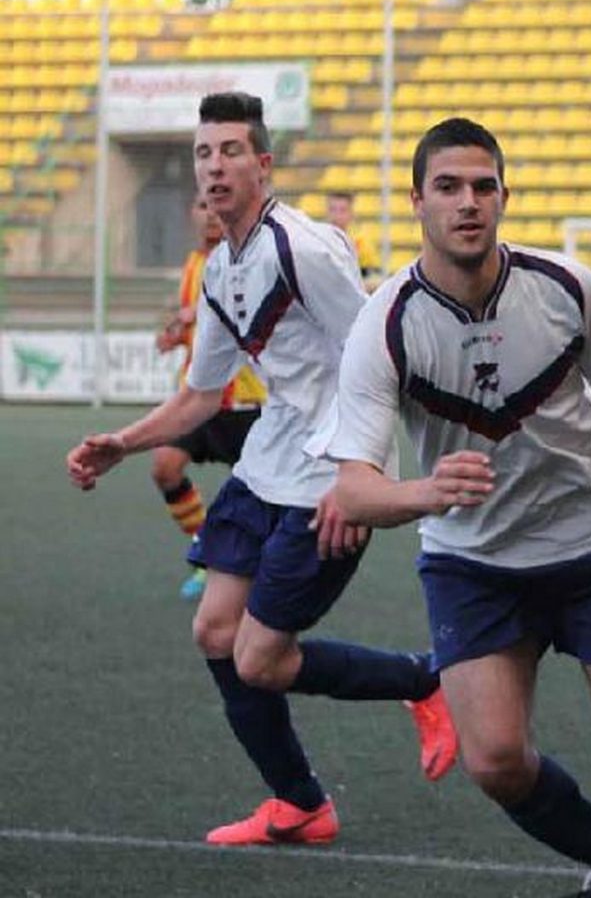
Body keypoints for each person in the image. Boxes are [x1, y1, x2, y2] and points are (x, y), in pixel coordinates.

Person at [67, 92, 457, 847]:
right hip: (268, 461)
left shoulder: (303, 249)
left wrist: (357, 476)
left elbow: (378, 359)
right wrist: (124, 443)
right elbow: (201, 394)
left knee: (260, 659)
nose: (213, 167)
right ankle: (301, 804)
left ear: (263, 164)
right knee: (216, 631)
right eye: (203, 154)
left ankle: (424, 679)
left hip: (328, 475)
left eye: (230, 151)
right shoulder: (221, 267)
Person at [324, 117, 591, 897]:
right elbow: (352, 488)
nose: (467, 202)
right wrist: (425, 492)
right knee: (494, 759)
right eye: (447, 187)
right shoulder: (384, 323)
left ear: (503, 197)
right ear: (417, 201)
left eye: (482, 186)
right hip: (474, 564)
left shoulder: (568, 288)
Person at [153, 193, 266, 601]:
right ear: (192, 213)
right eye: (202, 206)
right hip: (200, 400)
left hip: (246, 402)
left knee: (264, 497)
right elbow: (200, 331)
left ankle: (258, 570)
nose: (211, 214)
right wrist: (176, 334)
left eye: (216, 206)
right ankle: (207, 552)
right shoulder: (192, 263)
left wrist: (196, 315)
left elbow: (249, 317)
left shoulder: (247, 260)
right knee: (165, 467)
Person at [325, 190, 382, 288]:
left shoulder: (362, 240)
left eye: (342, 210)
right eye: (333, 210)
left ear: (351, 213)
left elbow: (373, 275)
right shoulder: (320, 238)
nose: (337, 215)